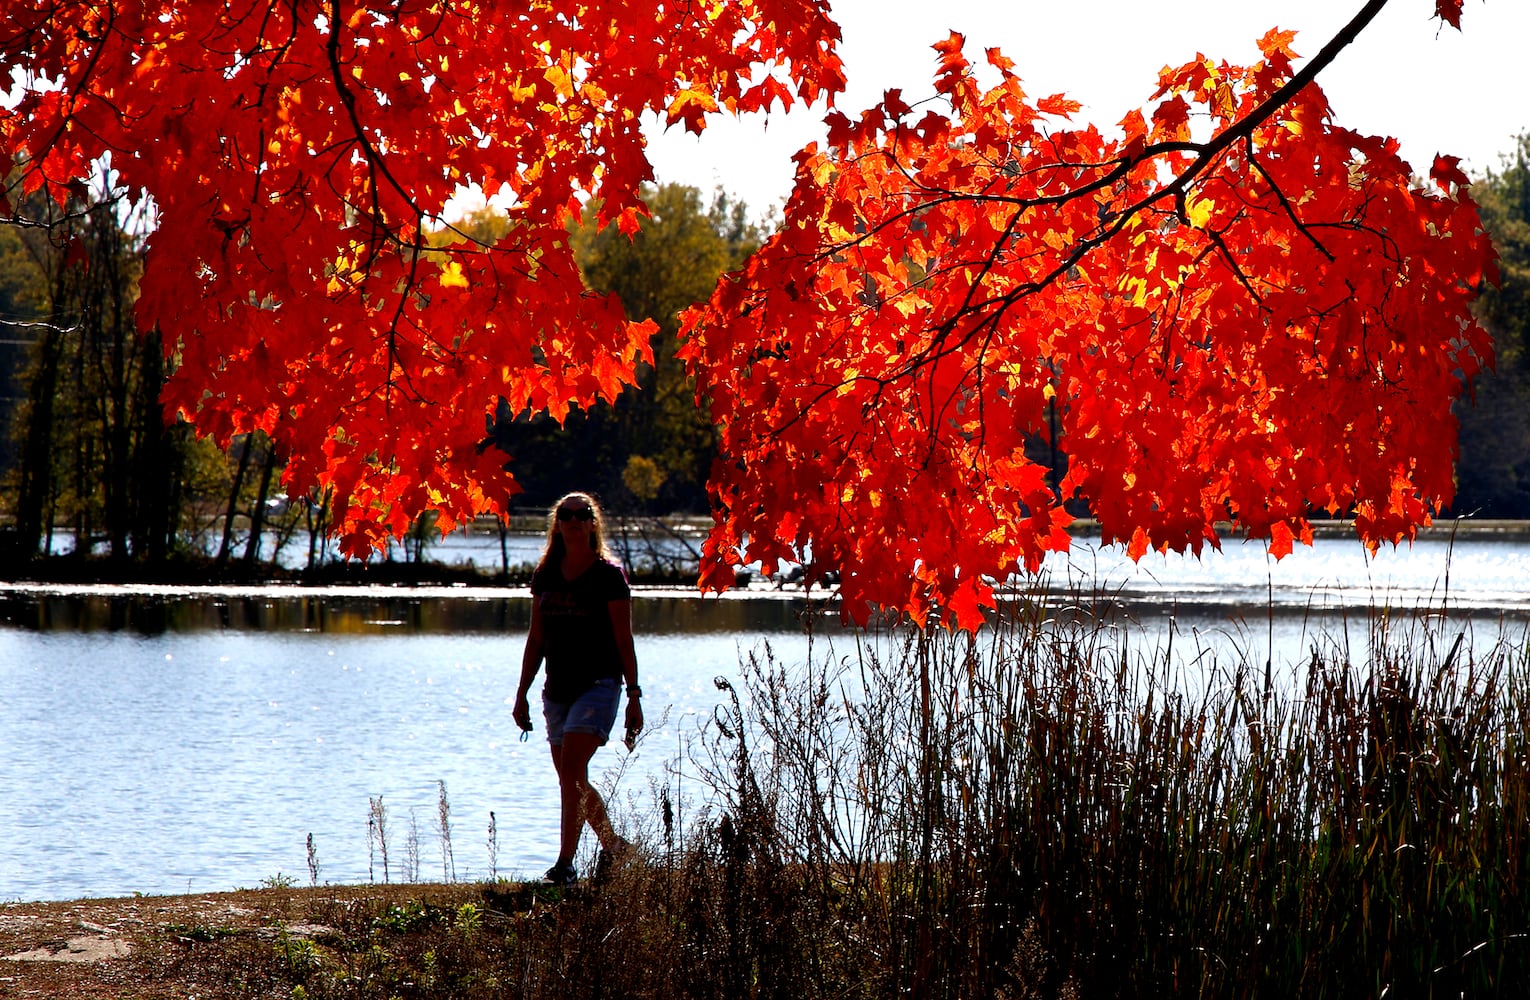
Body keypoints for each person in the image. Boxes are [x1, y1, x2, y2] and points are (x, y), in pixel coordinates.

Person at [512, 491, 643, 886]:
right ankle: (617, 848)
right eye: (565, 514)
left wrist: (634, 696)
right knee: (572, 778)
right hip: (557, 690)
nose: (573, 521)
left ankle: (565, 864)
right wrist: (521, 693)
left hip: (599, 685)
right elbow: (536, 639)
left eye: (581, 514)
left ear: (592, 523)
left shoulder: (608, 576)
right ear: (557, 523)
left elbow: (625, 639)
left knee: (571, 770)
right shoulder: (546, 574)